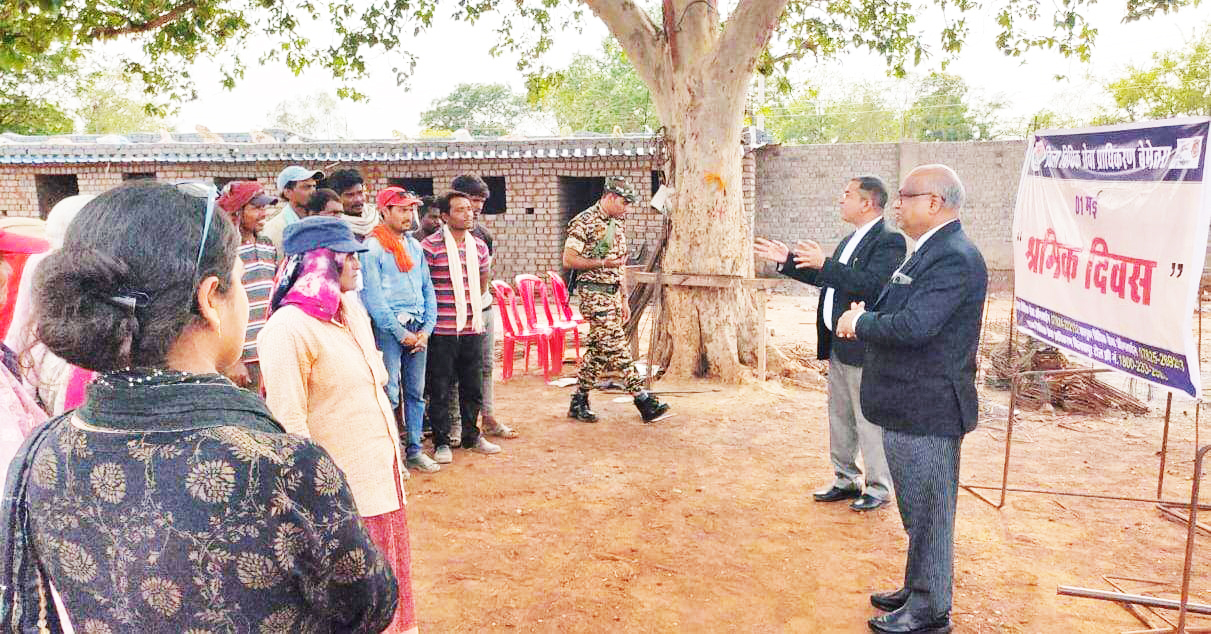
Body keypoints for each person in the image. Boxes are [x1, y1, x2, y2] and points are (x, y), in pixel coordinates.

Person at [1, 181, 398, 632]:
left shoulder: (44, 450)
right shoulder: (280, 465)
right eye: (239, 281)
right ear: (211, 299)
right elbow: (367, 606)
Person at [835, 164, 987, 634]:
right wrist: (869, 312)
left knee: (931, 514)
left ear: (934, 203)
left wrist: (860, 323)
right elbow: (895, 304)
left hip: (929, 408)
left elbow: (916, 326)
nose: (897, 204)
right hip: (908, 405)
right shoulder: (928, 250)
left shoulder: (954, 257)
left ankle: (930, 611)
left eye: (906, 196)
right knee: (918, 511)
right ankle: (917, 587)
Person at [258, 216, 417, 633]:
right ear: (321, 263)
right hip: (343, 501)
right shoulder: (288, 329)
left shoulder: (350, 311)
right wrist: (318, 504)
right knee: (356, 609)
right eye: (350, 258)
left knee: (391, 598)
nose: (359, 266)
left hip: (382, 484)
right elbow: (290, 427)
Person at [754, 176, 905, 513]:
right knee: (840, 416)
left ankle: (878, 486)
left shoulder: (889, 242)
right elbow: (830, 278)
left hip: (864, 345)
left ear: (867, 203)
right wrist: (788, 261)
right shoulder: (850, 240)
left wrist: (827, 264)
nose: (841, 199)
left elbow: (872, 286)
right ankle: (846, 478)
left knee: (868, 418)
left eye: (847, 194)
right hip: (838, 344)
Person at [562, 177, 668, 423]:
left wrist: (624, 299)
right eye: (623, 203)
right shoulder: (584, 222)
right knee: (617, 345)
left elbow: (619, 265)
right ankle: (643, 399)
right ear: (609, 197)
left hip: (611, 294)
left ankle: (579, 400)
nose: (626, 208)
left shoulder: (616, 223)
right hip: (593, 293)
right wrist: (601, 263)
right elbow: (569, 259)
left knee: (599, 350)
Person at [361, 187, 441, 473]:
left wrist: (426, 330)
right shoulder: (372, 248)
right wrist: (399, 332)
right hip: (390, 330)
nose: (409, 215)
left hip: (418, 326)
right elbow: (373, 299)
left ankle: (415, 450)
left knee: (416, 392)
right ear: (385, 211)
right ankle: (392, 455)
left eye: (411, 209)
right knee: (390, 392)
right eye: (402, 209)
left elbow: (427, 290)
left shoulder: (414, 246)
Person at [420, 191, 501, 464]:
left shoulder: (478, 246)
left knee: (472, 384)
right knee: (441, 386)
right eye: (460, 210)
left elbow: (482, 282)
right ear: (445, 216)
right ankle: (442, 442)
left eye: (469, 209)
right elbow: (424, 287)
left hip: (472, 326)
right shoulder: (429, 247)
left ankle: (471, 436)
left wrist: (470, 308)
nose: (469, 214)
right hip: (441, 329)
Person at [5, 195, 97, 414]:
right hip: (51, 355)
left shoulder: (106, 267)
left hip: (88, 358)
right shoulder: (39, 263)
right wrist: (18, 383)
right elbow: (23, 319)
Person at [451, 174, 517, 439]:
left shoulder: (483, 236)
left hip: (483, 308)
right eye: (472, 200)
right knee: (455, 370)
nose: (477, 208)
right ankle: (455, 424)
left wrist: (479, 304)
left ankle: (488, 416)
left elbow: (484, 275)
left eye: (480, 202)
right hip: (452, 313)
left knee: (486, 365)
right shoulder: (435, 236)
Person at [217, 181, 279, 392]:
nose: (263, 214)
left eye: (264, 208)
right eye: (256, 208)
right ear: (237, 212)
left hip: (270, 353)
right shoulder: (226, 252)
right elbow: (221, 307)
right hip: (242, 360)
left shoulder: (268, 245)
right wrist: (233, 360)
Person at [263, 165, 323, 254]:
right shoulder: (275, 229)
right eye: (306, 187)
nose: (313, 192)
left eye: (314, 186)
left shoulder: (321, 221)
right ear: (288, 192)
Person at [328, 168, 381, 239]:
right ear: (337, 198)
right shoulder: (332, 227)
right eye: (350, 195)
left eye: (360, 193)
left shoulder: (377, 219)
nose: (358, 199)